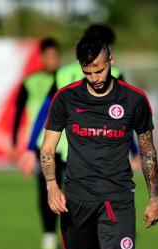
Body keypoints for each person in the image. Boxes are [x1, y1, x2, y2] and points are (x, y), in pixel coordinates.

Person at [40, 35, 158, 249]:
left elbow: (148, 151)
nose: (95, 78)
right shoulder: (65, 98)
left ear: (111, 61)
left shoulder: (134, 100)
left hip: (117, 198)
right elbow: (47, 149)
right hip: (76, 200)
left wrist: (154, 199)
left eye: (99, 70)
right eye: (87, 72)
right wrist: (51, 185)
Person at [56, 24, 140, 171]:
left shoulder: (62, 73)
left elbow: (46, 110)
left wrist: (31, 147)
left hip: (65, 147)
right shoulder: (113, 74)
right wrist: (134, 150)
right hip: (105, 151)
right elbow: (124, 118)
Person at [11, 37, 66, 249]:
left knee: (71, 192)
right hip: (41, 147)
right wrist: (16, 143)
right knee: (47, 191)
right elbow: (17, 114)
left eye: (56, 56)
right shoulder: (30, 82)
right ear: (42, 57)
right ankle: (49, 235)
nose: (53, 60)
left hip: (66, 146)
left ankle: (70, 234)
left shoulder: (66, 78)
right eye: (49, 56)